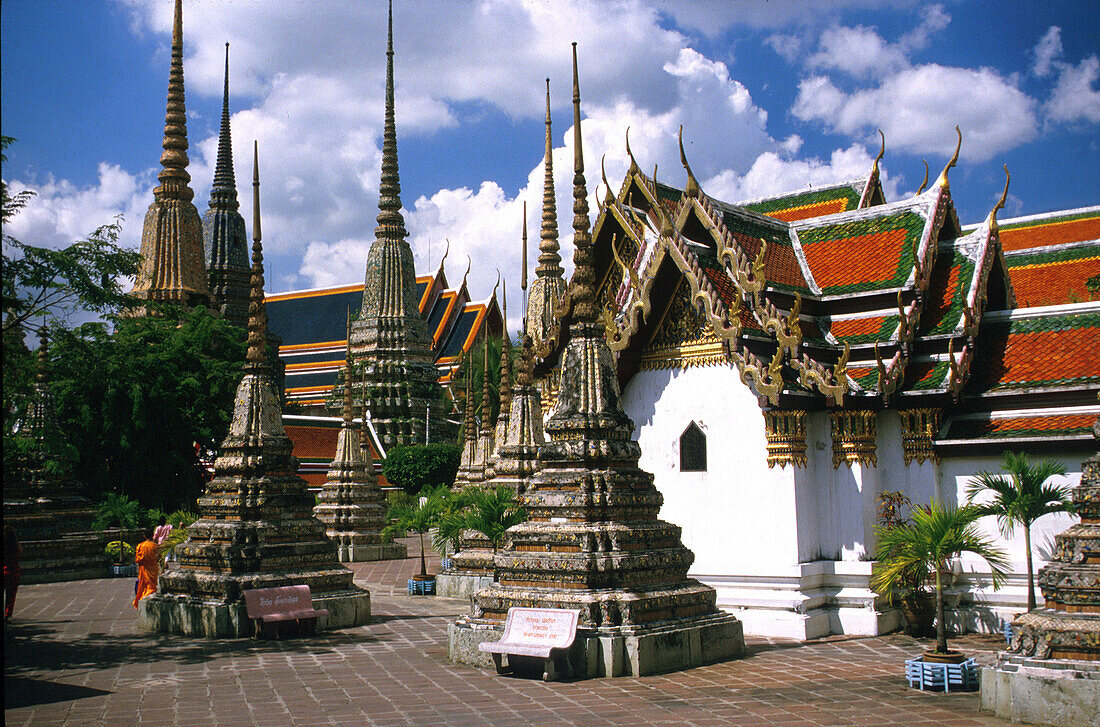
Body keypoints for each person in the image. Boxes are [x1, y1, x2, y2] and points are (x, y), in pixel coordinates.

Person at [132, 530, 159, 609]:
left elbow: (137, 559)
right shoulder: (155, 546)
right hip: (153, 569)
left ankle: (144, 599)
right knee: (152, 585)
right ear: (153, 535)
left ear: (144, 536)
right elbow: (159, 558)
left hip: (144, 569)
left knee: (144, 585)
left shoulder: (140, 546)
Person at [4, 525, 21, 621]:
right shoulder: (15, 545)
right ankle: (7, 614)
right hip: (13, 571)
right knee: (11, 596)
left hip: (4, 570)